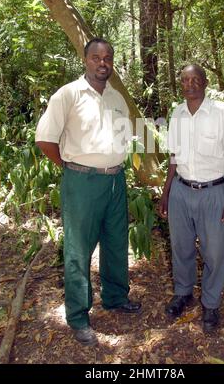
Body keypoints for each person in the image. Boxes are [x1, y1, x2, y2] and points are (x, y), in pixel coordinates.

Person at [35, 38, 141, 346]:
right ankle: (79, 316)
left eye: (107, 57)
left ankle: (116, 297)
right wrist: (71, 167)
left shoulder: (117, 98)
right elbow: (45, 140)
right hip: (81, 182)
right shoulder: (67, 95)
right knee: (78, 252)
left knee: (116, 243)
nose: (103, 62)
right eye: (96, 57)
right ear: (86, 60)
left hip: (115, 181)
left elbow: (124, 139)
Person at [159, 64, 224, 333]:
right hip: (181, 191)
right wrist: (166, 191)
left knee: (214, 253)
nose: (190, 84)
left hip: (213, 192)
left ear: (205, 83)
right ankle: (183, 294)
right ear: (180, 84)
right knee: (181, 248)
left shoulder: (221, 113)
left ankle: (211, 303)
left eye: (196, 79)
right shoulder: (177, 114)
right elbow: (173, 157)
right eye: (185, 80)